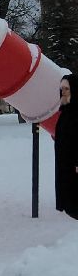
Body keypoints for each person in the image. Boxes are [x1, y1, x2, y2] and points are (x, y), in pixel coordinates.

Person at [54, 74, 78, 220]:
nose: (63, 92)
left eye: (67, 89)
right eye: (62, 89)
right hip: (65, 163)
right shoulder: (65, 113)